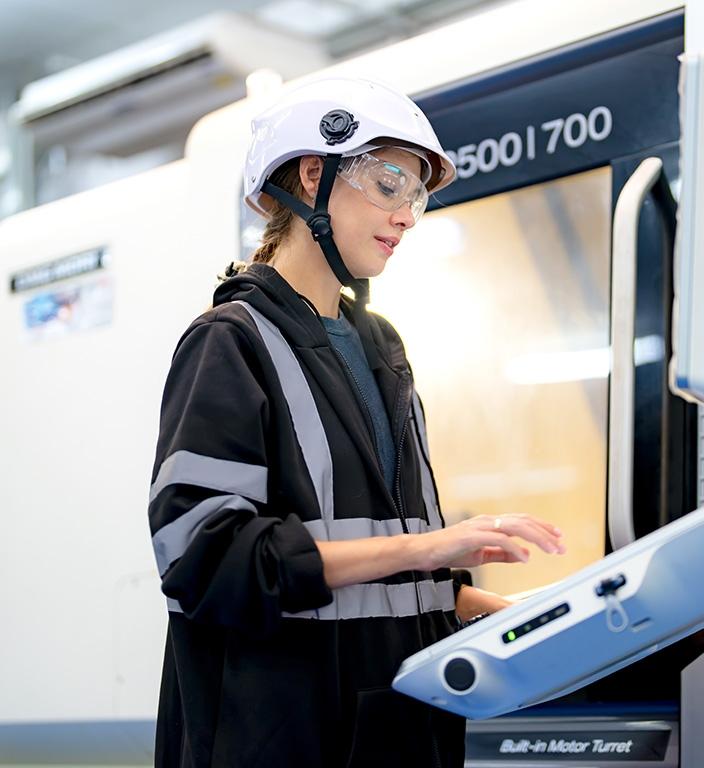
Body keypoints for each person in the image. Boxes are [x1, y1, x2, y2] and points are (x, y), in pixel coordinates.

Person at [148, 76, 566, 768]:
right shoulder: (230, 341)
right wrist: (432, 547)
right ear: (314, 175)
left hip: (399, 735)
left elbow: (393, 580)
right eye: (390, 183)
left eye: (417, 196)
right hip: (285, 741)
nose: (407, 215)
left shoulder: (380, 348)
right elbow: (206, 558)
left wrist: (531, 616)